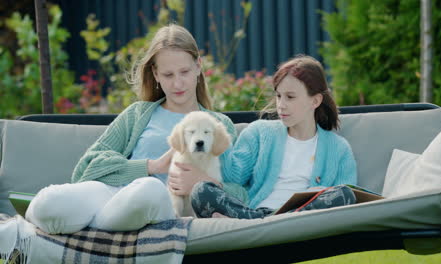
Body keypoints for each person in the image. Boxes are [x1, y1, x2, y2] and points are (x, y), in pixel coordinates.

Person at [25, 24, 238, 234]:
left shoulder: (218, 125)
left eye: (184, 71)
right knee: (47, 202)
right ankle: (26, 232)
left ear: (198, 66)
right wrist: (152, 166)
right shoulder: (138, 114)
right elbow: (85, 169)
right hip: (114, 193)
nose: (177, 83)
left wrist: (205, 182)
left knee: (150, 190)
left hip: (161, 206)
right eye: (168, 75)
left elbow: (243, 195)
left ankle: (87, 228)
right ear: (155, 74)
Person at [186, 55, 358, 219]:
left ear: (315, 101)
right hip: (255, 211)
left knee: (344, 194)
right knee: (201, 191)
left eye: (290, 97)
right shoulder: (259, 132)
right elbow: (234, 176)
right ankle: (262, 221)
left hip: (304, 216)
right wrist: (215, 130)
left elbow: (347, 203)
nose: (281, 105)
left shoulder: (339, 148)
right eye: (278, 96)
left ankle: (263, 222)